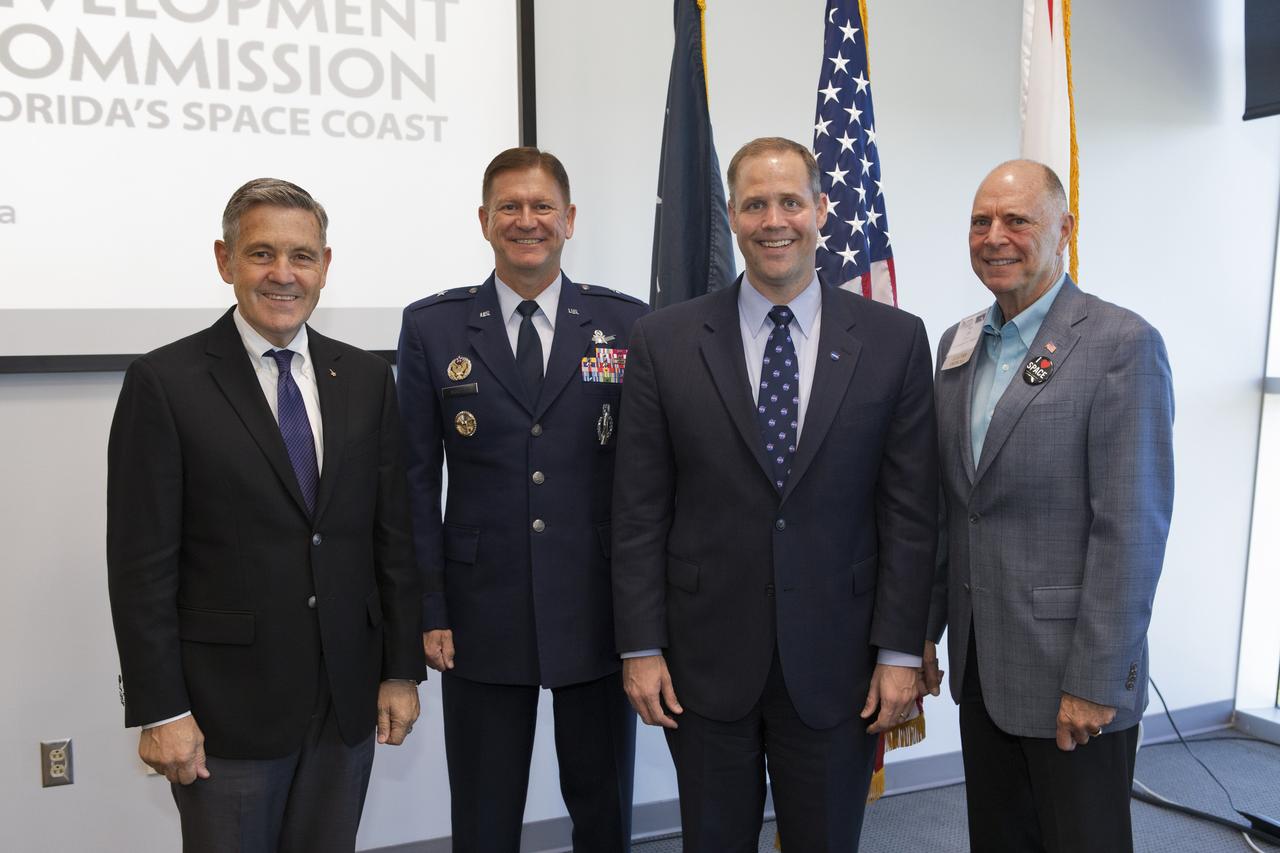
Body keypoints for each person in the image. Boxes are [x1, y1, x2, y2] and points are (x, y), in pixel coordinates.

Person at [611, 136, 938, 852]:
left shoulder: (895, 340)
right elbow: (638, 509)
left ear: (822, 209)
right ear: (731, 214)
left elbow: (911, 510)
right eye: (755, 203)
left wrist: (899, 652)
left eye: (790, 200)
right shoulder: (663, 340)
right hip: (703, 665)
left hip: (839, 662)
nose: (774, 219)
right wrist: (640, 645)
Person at [106, 178, 423, 853]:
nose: (284, 274)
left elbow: (390, 537)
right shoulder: (165, 384)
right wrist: (163, 709)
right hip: (226, 713)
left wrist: (400, 669)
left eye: (302, 256)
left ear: (326, 266)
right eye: (262, 254)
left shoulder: (366, 379)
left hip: (345, 701)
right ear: (225, 261)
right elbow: (140, 567)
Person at [397, 147, 647, 852]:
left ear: (569, 219)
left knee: (604, 807)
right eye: (509, 206)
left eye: (542, 207)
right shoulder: (433, 329)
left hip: (597, 605)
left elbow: (647, 479)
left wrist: (645, 615)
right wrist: (430, 606)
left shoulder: (626, 324)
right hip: (481, 609)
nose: (526, 220)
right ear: (484, 220)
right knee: (484, 809)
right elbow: (416, 479)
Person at [923, 159, 1174, 853]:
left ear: (1064, 230)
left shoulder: (1121, 344)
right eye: (980, 221)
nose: (994, 236)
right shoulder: (958, 345)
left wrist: (1097, 681)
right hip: (983, 666)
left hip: (1072, 679)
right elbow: (954, 505)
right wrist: (926, 625)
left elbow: (1131, 529)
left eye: (1016, 219)